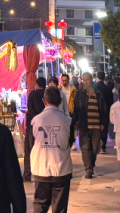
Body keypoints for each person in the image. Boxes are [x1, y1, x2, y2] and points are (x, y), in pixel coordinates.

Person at [30, 85, 75, 213]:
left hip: (41, 169)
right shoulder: (68, 121)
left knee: (40, 205)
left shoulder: (35, 121)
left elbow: (31, 144)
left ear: (44, 101)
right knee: (60, 208)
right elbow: (69, 142)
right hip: (61, 170)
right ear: (60, 101)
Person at [73, 72, 103, 178]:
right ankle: (88, 169)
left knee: (95, 148)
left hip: (96, 125)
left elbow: (103, 108)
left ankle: (91, 163)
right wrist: (75, 122)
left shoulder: (98, 93)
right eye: (84, 80)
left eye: (87, 80)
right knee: (85, 147)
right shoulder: (79, 93)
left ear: (91, 80)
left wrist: (103, 122)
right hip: (84, 125)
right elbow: (76, 108)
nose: (85, 82)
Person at [23, 76, 48, 181]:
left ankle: (27, 173)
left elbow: (30, 109)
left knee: (29, 149)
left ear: (37, 84)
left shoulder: (32, 94)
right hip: (45, 126)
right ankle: (43, 172)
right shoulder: (47, 94)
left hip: (32, 126)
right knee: (43, 149)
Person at [94, 71, 114, 152]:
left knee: (95, 128)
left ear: (97, 77)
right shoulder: (108, 88)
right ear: (104, 78)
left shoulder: (93, 87)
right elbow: (110, 102)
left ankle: (96, 144)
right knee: (104, 128)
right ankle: (103, 146)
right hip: (105, 111)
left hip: (94, 110)